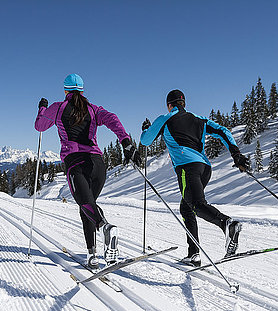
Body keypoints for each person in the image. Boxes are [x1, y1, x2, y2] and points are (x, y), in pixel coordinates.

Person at [125, 89, 249, 267]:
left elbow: (145, 141)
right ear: (184, 103)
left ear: (169, 105)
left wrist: (145, 129)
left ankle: (227, 224)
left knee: (197, 204)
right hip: (204, 168)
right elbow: (223, 131)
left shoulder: (165, 119)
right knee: (186, 207)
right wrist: (235, 153)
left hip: (186, 168)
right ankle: (193, 254)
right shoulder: (200, 119)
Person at [35, 73, 133, 268]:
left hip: (76, 164)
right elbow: (112, 118)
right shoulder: (94, 109)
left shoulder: (58, 107)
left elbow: (39, 126)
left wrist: (41, 108)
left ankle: (105, 227)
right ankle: (92, 255)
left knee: (86, 205)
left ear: (65, 90)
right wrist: (125, 140)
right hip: (97, 164)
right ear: (82, 89)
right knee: (87, 206)